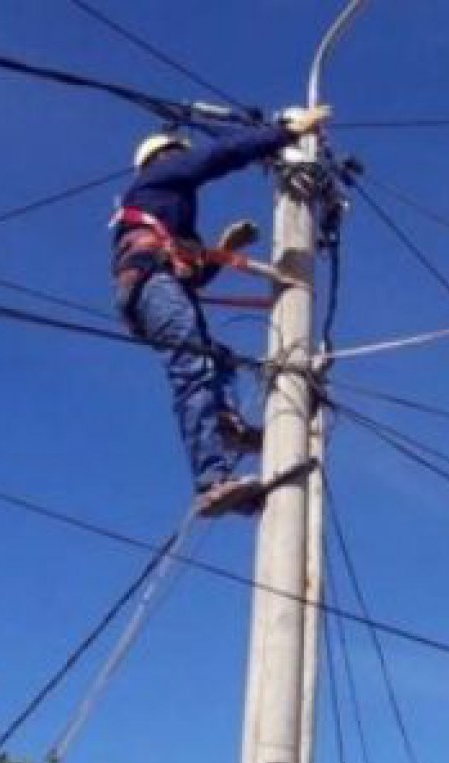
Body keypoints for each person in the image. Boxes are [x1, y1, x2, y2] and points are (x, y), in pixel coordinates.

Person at [112, 105, 333, 516]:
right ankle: (211, 480)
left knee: (217, 359)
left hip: (158, 287)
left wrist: (224, 251)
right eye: (179, 154)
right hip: (153, 284)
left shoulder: (168, 212)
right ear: (163, 157)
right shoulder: (159, 177)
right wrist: (284, 131)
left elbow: (193, 278)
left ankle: (226, 429)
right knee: (193, 367)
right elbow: (218, 156)